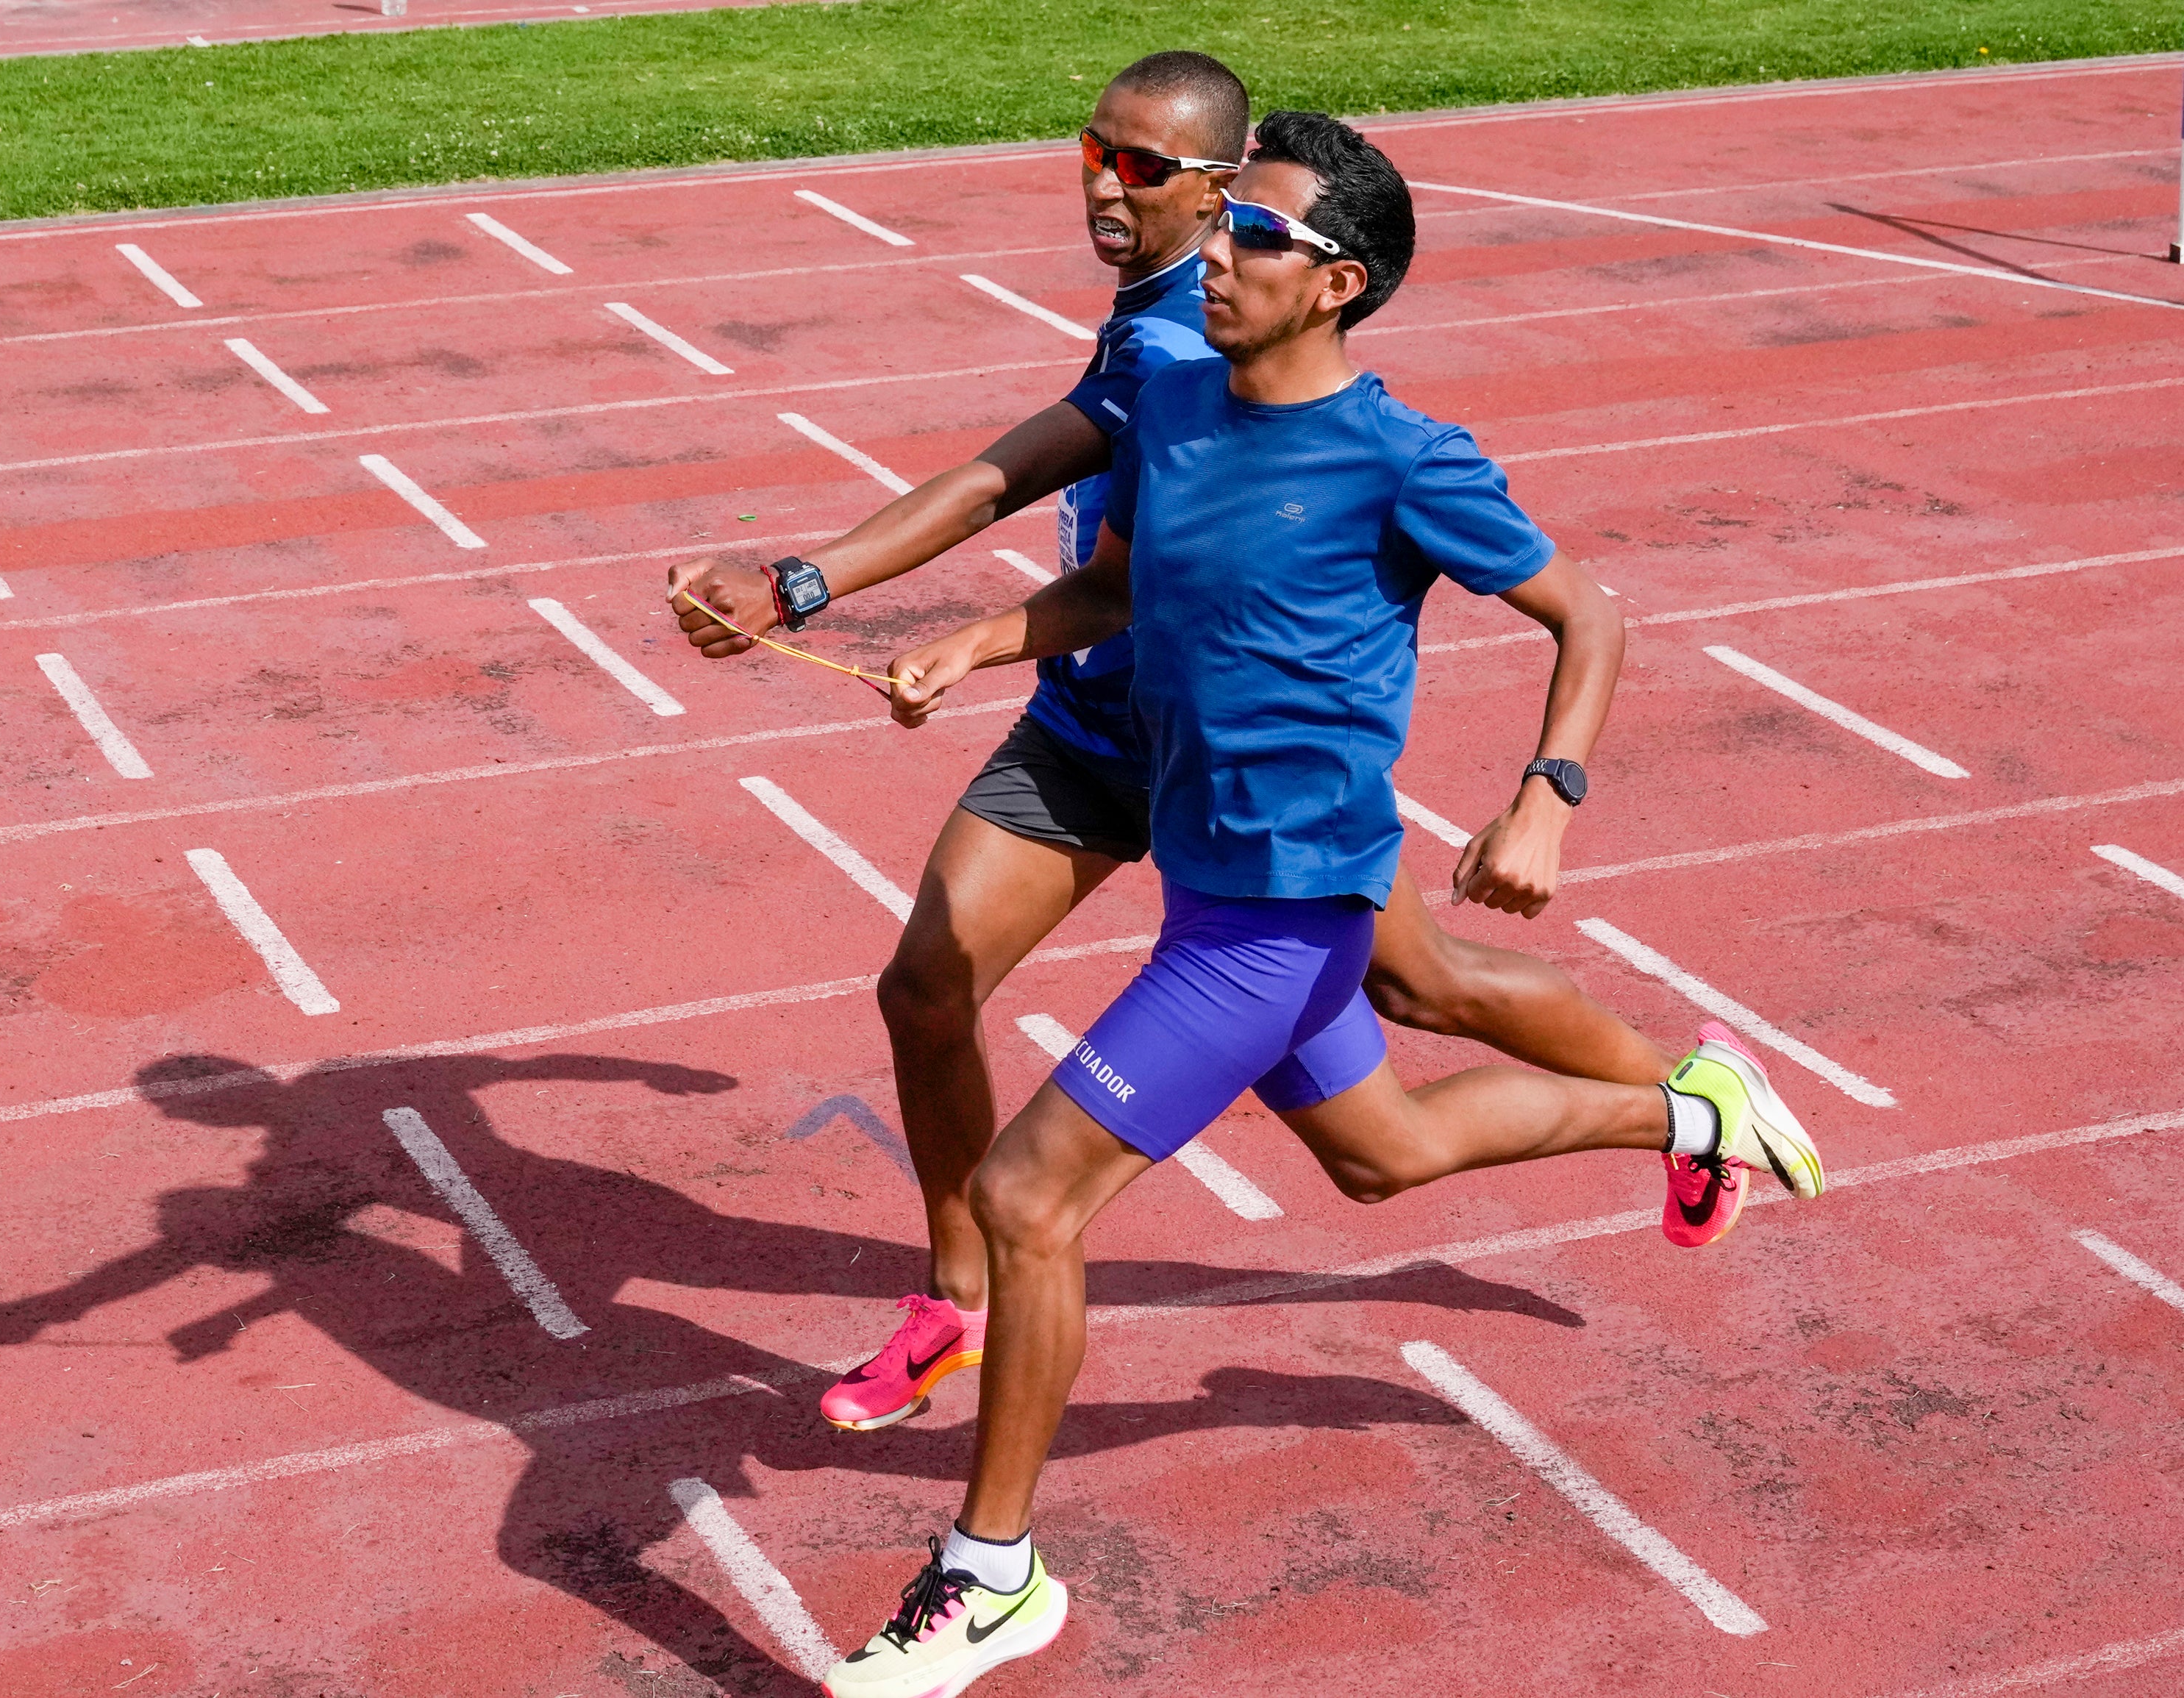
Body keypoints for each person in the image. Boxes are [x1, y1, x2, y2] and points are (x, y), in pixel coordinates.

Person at [815, 113, 1828, 1698]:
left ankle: (989, 1578)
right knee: (1386, 1154)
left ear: (1336, 282)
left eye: (1253, 238)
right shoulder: (1172, 402)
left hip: (1289, 912)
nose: (1212, 253)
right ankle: (1689, 1112)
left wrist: (1542, 801)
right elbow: (1125, 584)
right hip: (1206, 872)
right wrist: (983, 642)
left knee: (1026, 1202)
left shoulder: (1404, 458)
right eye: (1220, 230)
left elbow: (1588, 618)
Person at [668, 53, 1696, 1444]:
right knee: (930, 987)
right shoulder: (1169, 333)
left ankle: (1683, 1094)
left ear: (1238, 200)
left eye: (1149, 170)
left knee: (1426, 1008)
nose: (1108, 181)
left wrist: (1547, 794)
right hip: (1100, 729)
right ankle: (958, 1304)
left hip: (1241, 768)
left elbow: (1004, 476)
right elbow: (1060, 527)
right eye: (1096, 151)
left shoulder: (1211, 353)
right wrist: (886, 612)